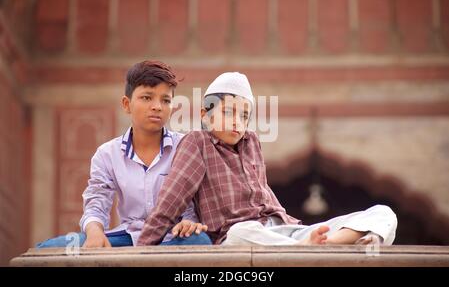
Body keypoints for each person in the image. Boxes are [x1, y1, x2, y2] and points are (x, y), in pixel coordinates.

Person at [137, 72, 397, 246]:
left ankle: (344, 241)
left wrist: (300, 234)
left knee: (383, 213)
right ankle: (323, 245)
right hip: (241, 236)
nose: (237, 123)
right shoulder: (197, 142)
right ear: (206, 115)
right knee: (241, 233)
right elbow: (170, 201)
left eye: (244, 116)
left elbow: (263, 197)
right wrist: (140, 252)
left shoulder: (251, 142)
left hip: (285, 231)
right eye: (228, 112)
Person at [37, 60, 211, 248]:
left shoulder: (185, 146)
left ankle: (145, 259)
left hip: (173, 237)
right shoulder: (107, 154)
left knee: (199, 240)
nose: (157, 106)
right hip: (128, 237)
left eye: (165, 100)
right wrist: (94, 231)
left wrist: (189, 222)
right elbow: (97, 202)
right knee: (48, 248)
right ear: (127, 104)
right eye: (147, 98)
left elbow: (192, 200)